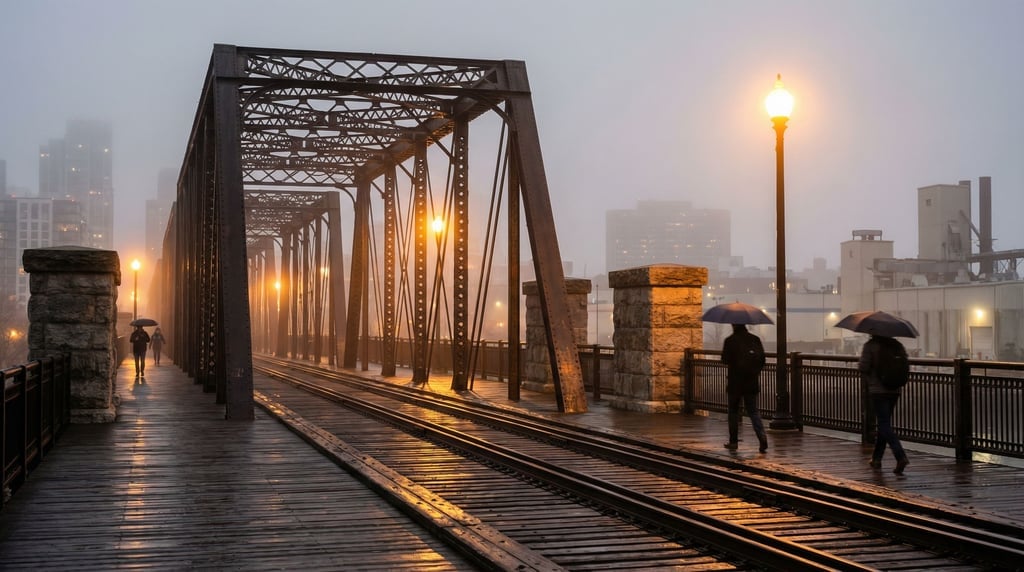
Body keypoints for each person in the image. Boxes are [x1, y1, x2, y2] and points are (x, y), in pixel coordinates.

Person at [859, 334, 910, 474]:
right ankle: (876, 459)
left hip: (878, 390)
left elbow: (863, 366)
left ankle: (900, 456)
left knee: (883, 423)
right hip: (895, 389)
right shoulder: (897, 345)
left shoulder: (870, 345)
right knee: (885, 423)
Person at [720, 324, 768, 453]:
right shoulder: (755, 339)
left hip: (735, 383)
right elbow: (763, 359)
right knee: (753, 411)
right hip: (751, 382)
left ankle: (733, 442)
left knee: (733, 412)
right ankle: (762, 436)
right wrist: (754, 372)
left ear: (733, 325)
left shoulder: (730, 340)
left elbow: (724, 360)